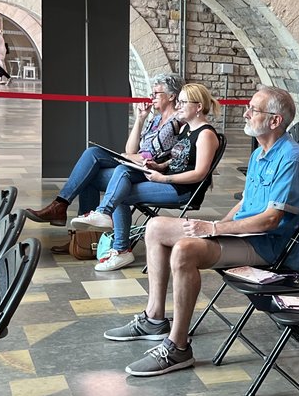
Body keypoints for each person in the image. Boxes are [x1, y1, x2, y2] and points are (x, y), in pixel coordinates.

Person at [105, 86, 299, 377]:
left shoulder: (292, 158)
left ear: (274, 121)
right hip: (243, 234)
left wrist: (216, 228)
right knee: (155, 227)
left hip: (267, 246)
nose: (245, 113)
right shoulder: (261, 152)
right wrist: (216, 229)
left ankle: (178, 348)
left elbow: (270, 220)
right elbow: (246, 203)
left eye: (253, 109)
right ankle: (154, 319)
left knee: (185, 249)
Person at [69, 83, 222, 272]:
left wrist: (163, 178)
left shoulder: (206, 134)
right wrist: (159, 166)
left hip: (182, 190)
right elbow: (177, 160)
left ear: (198, 107)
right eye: (179, 101)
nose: (179, 106)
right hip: (168, 179)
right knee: (123, 172)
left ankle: (120, 245)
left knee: (121, 193)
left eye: (183, 102)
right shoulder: (186, 130)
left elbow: (200, 173)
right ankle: (107, 221)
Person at [26, 73, 183, 228]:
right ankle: (62, 208)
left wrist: (128, 156)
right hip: (133, 164)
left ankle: (71, 221)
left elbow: (151, 157)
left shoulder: (175, 122)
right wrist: (140, 119)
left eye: (156, 93)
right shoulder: (155, 120)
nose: (152, 96)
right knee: (92, 154)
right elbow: (130, 148)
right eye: (152, 93)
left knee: (89, 176)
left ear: (171, 96)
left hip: (147, 171)